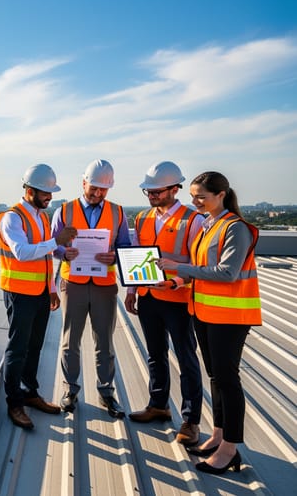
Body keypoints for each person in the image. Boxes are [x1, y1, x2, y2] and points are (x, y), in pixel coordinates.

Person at [156, 171, 261, 476]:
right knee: (215, 377)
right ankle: (218, 435)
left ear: (222, 195)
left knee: (228, 380)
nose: (196, 202)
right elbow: (202, 270)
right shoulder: (209, 226)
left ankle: (230, 449)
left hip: (230, 317)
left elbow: (226, 272)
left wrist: (179, 266)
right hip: (206, 314)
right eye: (193, 196)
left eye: (201, 196)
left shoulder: (236, 229)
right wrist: (176, 281)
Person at [124, 161, 204, 446]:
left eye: (157, 191)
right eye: (149, 192)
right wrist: (133, 290)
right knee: (155, 354)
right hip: (148, 298)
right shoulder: (143, 218)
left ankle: (191, 420)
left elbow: (199, 265)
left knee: (186, 359)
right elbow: (138, 256)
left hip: (178, 301)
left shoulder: (193, 220)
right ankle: (158, 405)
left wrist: (176, 282)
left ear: (175, 188)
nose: (152, 196)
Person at [0, 164, 77, 429]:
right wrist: (58, 241)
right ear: (30, 190)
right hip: (19, 294)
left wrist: (51, 290)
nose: (49, 198)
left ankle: (30, 393)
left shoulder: (41, 217)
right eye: (45, 193)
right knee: (17, 349)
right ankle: (14, 403)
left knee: (34, 347)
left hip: (41, 293)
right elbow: (22, 252)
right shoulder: (12, 217)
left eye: (51, 193)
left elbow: (43, 258)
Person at [52, 159, 131, 418]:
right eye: (93, 188)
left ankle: (106, 391)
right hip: (72, 284)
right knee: (69, 341)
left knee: (105, 342)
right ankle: (70, 389)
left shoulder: (118, 212)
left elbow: (125, 247)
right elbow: (53, 245)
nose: (97, 194)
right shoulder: (63, 211)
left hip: (104, 286)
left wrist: (114, 256)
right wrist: (65, 253)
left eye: (103, 190)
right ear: (83, 182)